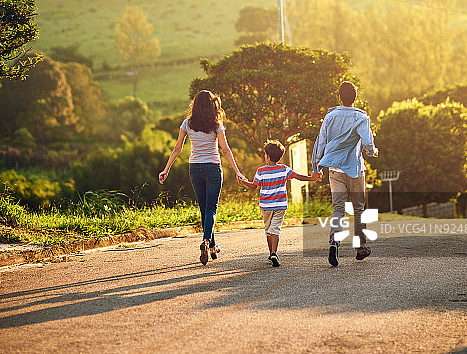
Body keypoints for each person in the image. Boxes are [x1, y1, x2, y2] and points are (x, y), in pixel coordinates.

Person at [159, 89, 245, 265]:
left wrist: (166, 169)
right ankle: (206, 242)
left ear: (195, 105)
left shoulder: (187, 124)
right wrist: (237, 172)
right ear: (212, 105)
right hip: (213, 168)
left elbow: (177, 148)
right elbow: (226, 150)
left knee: (204, 208)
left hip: (195, 169)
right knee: (211, 208)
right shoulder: (216, 124)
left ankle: (212, 247)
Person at [312, 81, 378, 266]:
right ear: (355, 97)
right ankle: (361, 247)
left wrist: (317, 166)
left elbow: (321, 142)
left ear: (339, 96)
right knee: (358, 209)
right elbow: (367, 141)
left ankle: (334, 243)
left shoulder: (330, 116)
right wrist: (373, 151)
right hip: (355, 170)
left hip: (334, 169)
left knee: (338, 209)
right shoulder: (361, 117)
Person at [240, 139, 320, 267]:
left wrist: (243, 181)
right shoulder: (284, 169)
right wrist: (311, 178)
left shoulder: (261, 171)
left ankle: (271, 253)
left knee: (268, 230)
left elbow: (253, 186)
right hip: (280, 205)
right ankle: (273, 253)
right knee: (275, 229)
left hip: (266, 206)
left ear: (267, 156)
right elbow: (298, 176)